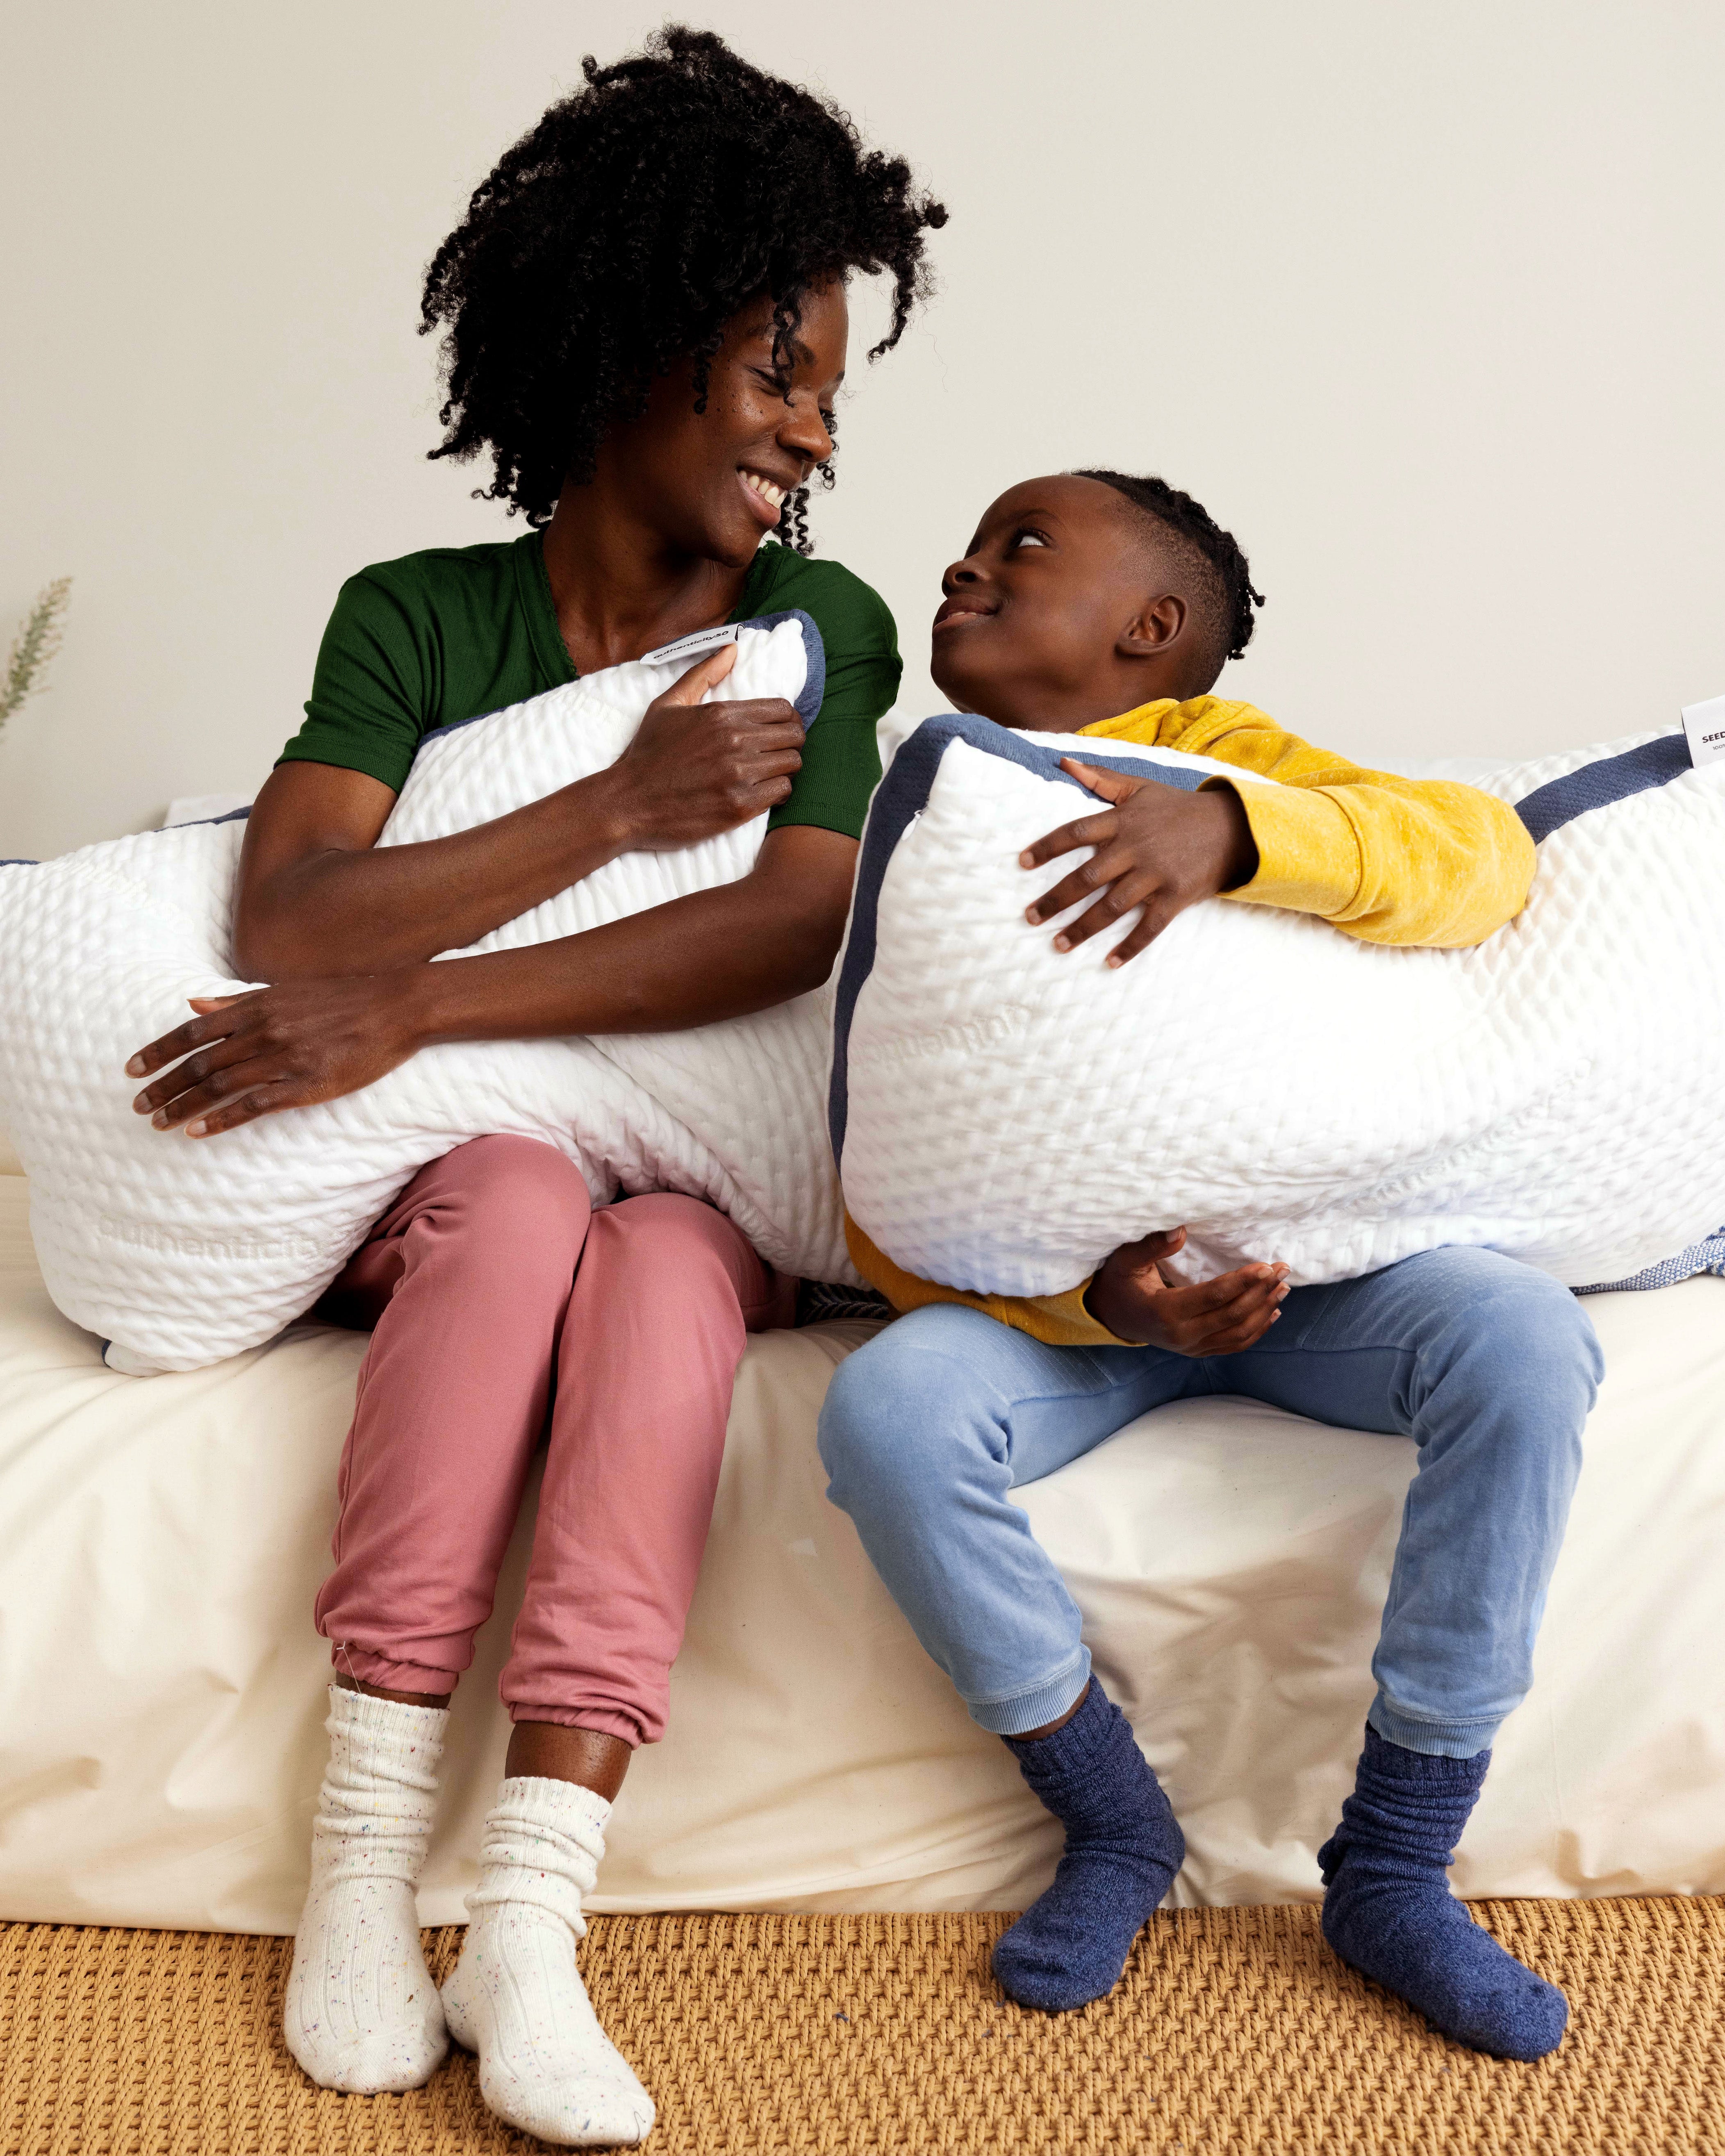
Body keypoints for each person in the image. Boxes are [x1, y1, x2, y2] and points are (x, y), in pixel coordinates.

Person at [124, 29, 943, 2146]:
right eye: (782, 371)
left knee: (662, 1258)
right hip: (458, 1185)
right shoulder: (419, 614)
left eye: (835, 391)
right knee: (504, 1198)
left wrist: (427, 1000)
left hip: (695, 1181)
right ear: (637, 338)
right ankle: (360, 1864)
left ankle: (532, 1913)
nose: (814, 434)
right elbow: (300, 916)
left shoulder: (814, 619)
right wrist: (608, 804)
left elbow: (787, 922)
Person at [817, 469, 1601, 2062]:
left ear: (1151, 630)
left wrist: (1232, 829)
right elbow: (893, 1177)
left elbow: (1478, 859)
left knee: (1520, 1342)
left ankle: (1390, 1864)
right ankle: (1109, 1818)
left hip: (1322, 1287)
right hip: (1080, 1319)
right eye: (971, 542)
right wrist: (1096, 1298)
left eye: (1019, 543)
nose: (963, 563)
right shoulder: (920, 820)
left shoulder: (1229, 761)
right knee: (887, 1411)